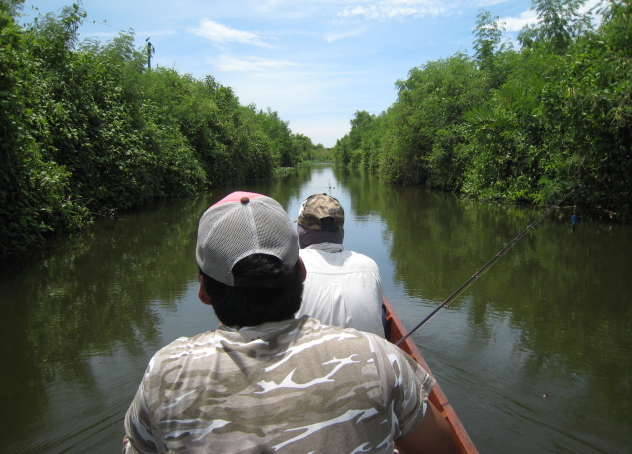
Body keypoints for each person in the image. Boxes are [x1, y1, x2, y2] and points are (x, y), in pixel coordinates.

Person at [123, 191, 455, 454]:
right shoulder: (379, 357)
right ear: (300, 272)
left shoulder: (164, 375)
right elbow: (444, 450)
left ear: (204, 292)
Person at [296, 193, 385, 337]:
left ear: (301, 231)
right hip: (368, 357)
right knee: (381, 311)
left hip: (309, 358)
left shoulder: (288, 266)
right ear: (341, 232)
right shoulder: (369, 267)